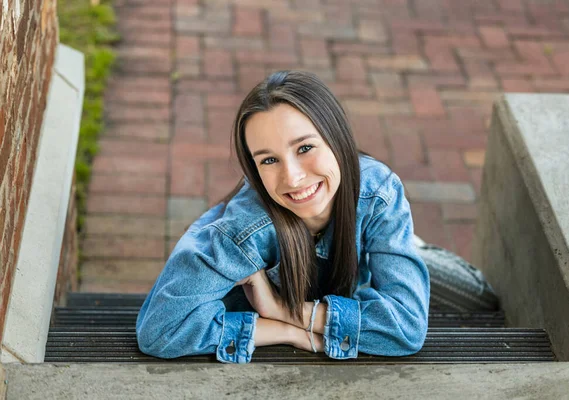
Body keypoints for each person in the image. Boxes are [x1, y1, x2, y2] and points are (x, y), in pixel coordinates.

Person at [136, 70, 430, 363]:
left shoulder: (377, 192)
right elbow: (161, 331)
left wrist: (284, 310)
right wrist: (286, 331)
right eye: (269, 160)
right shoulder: (243, 230)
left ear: (336, 138)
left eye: (305, 148)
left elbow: (407, 326)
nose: (293, 178)